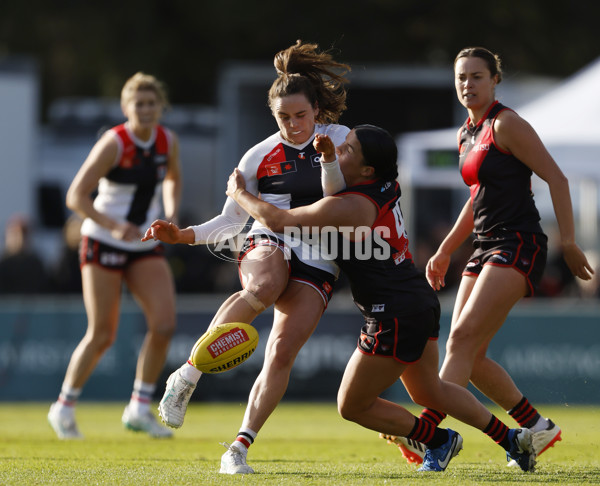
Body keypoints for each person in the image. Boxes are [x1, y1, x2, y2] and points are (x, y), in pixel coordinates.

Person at [226, 124, 536, 472]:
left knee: (352, 405)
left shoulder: (354, 207)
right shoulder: (380, 185)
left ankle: (438, 440)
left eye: (349, 150)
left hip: (393, 311)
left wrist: (239, 193)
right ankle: (511, 440)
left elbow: (278, 219)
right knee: (430, 392)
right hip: (415, 299)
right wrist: (330, 157)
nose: (340, 148)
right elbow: (332, 192)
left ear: (367, 170)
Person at [143, 40, 352, 474]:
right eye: (283, 118)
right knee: (264, 286)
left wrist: (329, 161)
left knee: (281, 351)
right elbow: (229, 222)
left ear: (317, 109)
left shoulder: (341, 140)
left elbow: (339, 197)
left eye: (301, 115)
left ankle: (236, 449)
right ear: (272, 116)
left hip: (321, 251)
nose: (294, 125)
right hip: (269, 235)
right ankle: (186, 377)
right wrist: (181, 235)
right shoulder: (257, 156)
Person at [383, 47, 594, 466]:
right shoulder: (467, 132)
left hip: (519, 243)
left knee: (461, 340)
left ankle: (430, 434)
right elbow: (474, 200)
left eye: (477, 76)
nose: (468, 84)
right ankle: (536, 428)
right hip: (484, 245)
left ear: (495, 79)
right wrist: (445, 251)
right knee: (470, 356)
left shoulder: (507, 123)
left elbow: (556, 177)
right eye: (461, 78)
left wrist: (569, 242)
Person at [47, 72, 182, 439]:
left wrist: (170, 212)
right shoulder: (114, 142)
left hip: (143, 242)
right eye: (138, 103)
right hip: (103, 241)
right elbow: (75, 196)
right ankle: (64, 406)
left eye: (152, 103)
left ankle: (139, 408)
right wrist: (112, 224)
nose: (146, 109)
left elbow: (172, 177)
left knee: (165, 324)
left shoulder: (168, 140)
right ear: (126, 108)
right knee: (103, 333)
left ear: (161, 106)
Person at [0, 215, 50, 294]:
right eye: (15, 234)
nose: (20, 239)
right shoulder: (3, 265)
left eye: (24, 234)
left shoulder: (36, 265)